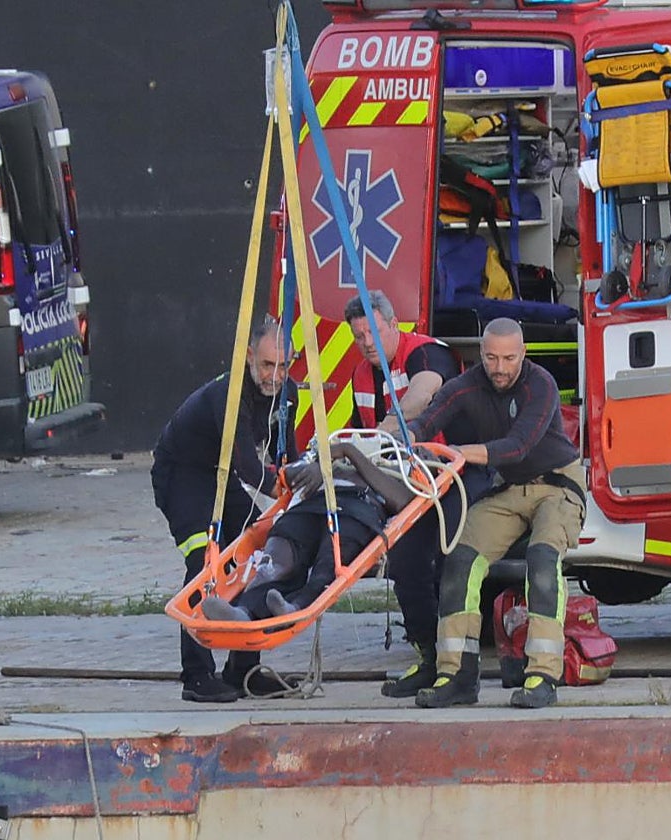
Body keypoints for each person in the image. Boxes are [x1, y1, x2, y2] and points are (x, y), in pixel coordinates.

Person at [405, 318, 585, 710]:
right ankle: (456, 676)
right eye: (490, 358)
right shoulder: (468, 384)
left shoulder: (542, 385)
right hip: (508, 490)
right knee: (460, 560)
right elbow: (428, 420)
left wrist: (458, 453)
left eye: (508, 358)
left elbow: (517, 446)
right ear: (481, 355)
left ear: (523, 354)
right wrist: (405, 438)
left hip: (558, 485)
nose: (500, 368)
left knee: (542, 559)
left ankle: (542, 676)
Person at [344, 290, 489, 698]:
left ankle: (458, 669)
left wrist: (382, 431)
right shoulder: (360, 376)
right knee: (406, 567)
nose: (367, 342)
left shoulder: (427, 353)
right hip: (413, 481)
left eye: (373, 331)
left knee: (450, 565)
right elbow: (358, 435)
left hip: (458, 471)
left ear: (393, 324)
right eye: (358, 336)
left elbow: (424, 394)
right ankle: (428, 658)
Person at [151, 317, 297, 703]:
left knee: (257, 559)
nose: (275, 376)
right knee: (205, 564)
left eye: (284, 366)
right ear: (249, 356)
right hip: (184, 473)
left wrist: (299, 488)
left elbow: (288, 455)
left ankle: (244, 668)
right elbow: (247, 462)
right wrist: (281, 486)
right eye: (267, 366)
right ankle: (196, 676)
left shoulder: (289, 393)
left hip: (221, 476)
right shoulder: (231, 394)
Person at [201, 441, 416, 628]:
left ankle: (294, 607)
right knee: (276, 561)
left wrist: (349, 451)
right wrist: (320, 463)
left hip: (356, 508)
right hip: (310, 504)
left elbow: (402, 500)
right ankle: (243, 611)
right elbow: (288, 476)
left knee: (329, 563)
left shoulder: (397, 467)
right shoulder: (322, 457)